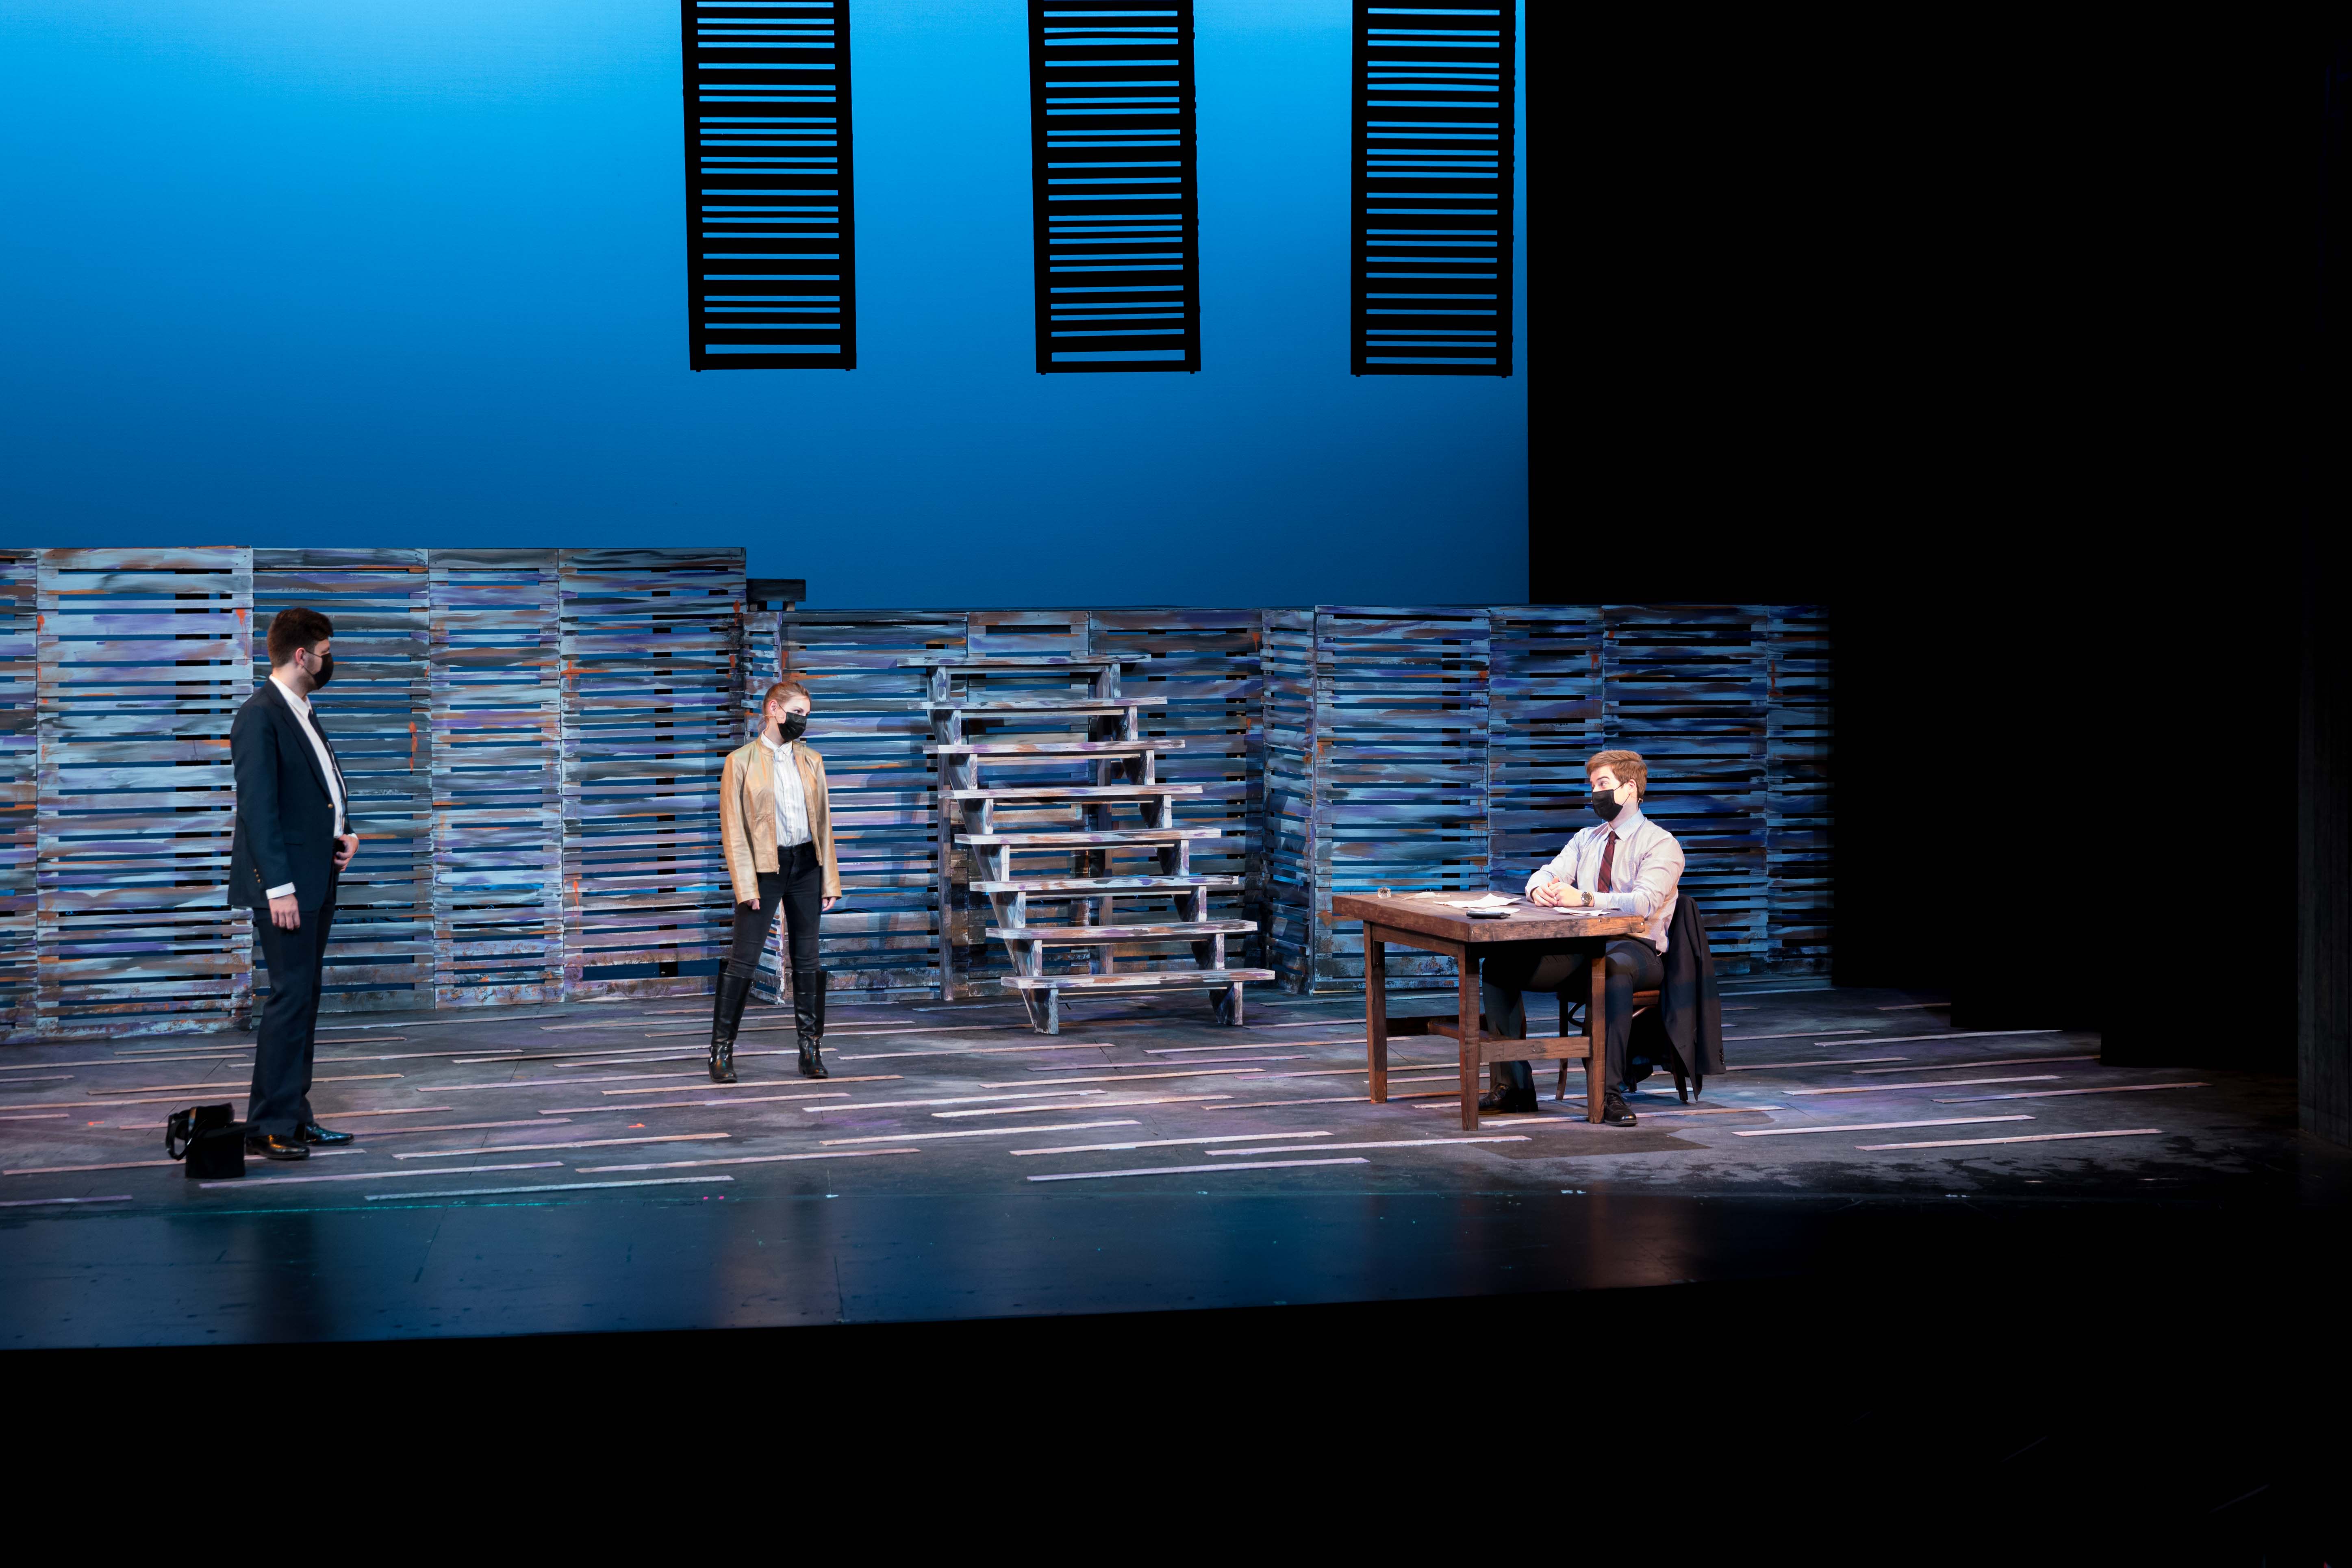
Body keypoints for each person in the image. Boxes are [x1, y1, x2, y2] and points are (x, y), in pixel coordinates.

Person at [1479, 748, 1685, 1125]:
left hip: (1635, 950)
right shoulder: (1586, 839)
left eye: (1603, 785)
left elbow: (1643, 901)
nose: (1596, 794)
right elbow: (1548, 872)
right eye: (1592, 786)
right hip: (1583, 945)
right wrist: (1537, 888)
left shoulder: (1660, 844)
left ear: (1630, 789)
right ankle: (1514, 1087)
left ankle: (1607, 1092)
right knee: (1498, 967)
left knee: (1611, 970)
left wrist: (1585, 897)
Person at [227, 607, 360, 1161]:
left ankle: (295, 1115)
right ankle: (269, 1124)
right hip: (287, 889)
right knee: (288, 1000)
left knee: (303, 998)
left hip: (317, 876)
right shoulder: (260, 715)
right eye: (327, 653)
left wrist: (344, 833)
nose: (331, 662)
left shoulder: (302, 710)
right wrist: (277, 886)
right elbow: (258, 809)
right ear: (303, 655)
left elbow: (318, 794)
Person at [712, 680, 842, 1082]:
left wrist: (829, 881)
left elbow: (824, 825)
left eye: (808, 714)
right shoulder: (741, 762)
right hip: (764, 869)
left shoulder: (812, 761)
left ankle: (810, 1051)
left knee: (808, 961)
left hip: (807, 866)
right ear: (773, 709)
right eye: (798, 712)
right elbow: (734, 830)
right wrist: (746, 886)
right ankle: (721, 1052)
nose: (803, 721)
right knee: (744, 960)